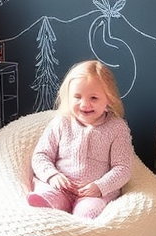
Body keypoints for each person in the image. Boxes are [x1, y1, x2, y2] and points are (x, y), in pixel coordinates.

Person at [28, 59, 134, 219]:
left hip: (94, 194)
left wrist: (100, 186)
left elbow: (123, 168)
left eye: (94, 98)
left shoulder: (117, 128)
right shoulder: (61, 122)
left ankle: (77, 222)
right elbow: (41, 155)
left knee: (88, 212)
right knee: (46, 195)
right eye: (77, 97)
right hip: (60, 187)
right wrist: (52, 175)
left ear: (109, 99)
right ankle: (47, 210)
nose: (85, 104)